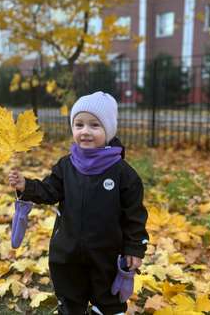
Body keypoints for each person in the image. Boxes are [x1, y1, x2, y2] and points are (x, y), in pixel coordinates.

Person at [8, 91, 149, 315]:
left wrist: (135, 247)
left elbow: (134, 216)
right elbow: (49, 191)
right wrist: (27, 186)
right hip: (68, 251)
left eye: (94, 125)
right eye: (79, 124)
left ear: (109, 130)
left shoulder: (124, 175)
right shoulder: (66, 166)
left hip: (106, 253)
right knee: (70, 297)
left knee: (109, 300)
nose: (85, 131)